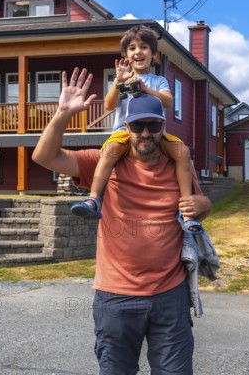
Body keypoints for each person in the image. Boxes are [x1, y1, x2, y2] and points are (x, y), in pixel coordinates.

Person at [32, 67, 211, 374]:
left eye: (153, 126)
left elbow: (198, 204)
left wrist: (202, 204)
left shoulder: (177, 161)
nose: (145, 134)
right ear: (127, 127)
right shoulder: (106, 159)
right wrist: (62, 113)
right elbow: (45, 157)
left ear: (163, 127)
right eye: (138, 125)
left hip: (170, 295)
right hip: (116, 295)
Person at [70, 24, 202, 232]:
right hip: (124, 133)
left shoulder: (158, 81)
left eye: (143, 47)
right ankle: (94, 199)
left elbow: (167, 101)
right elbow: (109, 105)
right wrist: (118, 83)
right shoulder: (121, 80)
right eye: (131, 48)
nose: (138, 52)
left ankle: (186, 212)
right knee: (110, 150)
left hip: (156, 133)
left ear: (153, 53)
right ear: (125, 55)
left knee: (182, 151)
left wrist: (145, 88)